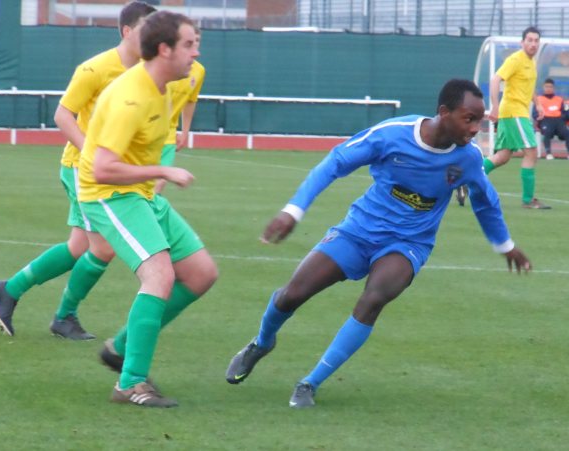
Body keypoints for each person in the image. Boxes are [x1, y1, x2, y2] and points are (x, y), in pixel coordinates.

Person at [225, 79, 532, 409]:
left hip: (408, 243)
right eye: (468, 119)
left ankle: (309, 383)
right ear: (443, 113)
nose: (475, 129)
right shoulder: (393, 134)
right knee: (292, 295)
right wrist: (293, 210)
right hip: (358, 231)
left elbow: (486, 202)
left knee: (373, 299)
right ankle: (261, 343)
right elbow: (335, 163)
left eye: (479, 120)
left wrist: (505, 246)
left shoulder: (468, 159)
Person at [0, 1, 157, 339]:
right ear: (126, 31)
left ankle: (12, 289)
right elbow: (63, 115)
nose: (154, 39)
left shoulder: (145, 71)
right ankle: (63, 315)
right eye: (147, 31)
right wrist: (91, 153)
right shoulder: (94, 69)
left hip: (107, 171)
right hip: (82, 169)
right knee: (102, 248)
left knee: (79, 247)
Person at [78, 11, 216, 408]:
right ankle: (130, 384)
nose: (196, 53)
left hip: (139, 193)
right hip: (109, 194)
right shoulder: (131, 97)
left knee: (202, 274)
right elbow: (103, 168)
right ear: (164, 49)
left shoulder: (166, 86)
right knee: (160, 275)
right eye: (189, 44)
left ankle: (121, 347)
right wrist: (163, 170)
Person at [484, 26, 550, 209]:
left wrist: (537, 104)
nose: (533, 44)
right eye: (529, 40)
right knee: (531, 151)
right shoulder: (515, 59)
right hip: (514, 113)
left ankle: (466, 178)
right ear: (522, 42)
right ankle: (528, 200)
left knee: (503, 156)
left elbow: (529, 87)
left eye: (536, 40)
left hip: (516, 113)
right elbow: (496, 79)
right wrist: (495, 106)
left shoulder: (531, 63)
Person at [155, 26, 205, 193]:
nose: (194, 46)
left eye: (197, 41)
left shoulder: (198, 71)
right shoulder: (166, 65)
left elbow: (190, 101)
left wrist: (185, 131)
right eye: (189, 43)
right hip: (148, 130)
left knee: (160, 182)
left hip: (169, 133)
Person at [534, 78, 569, 160]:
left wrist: (563, 118)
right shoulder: (539, 99)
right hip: (545, 119)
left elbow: (565, 112)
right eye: (546, 87)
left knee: (567, 133)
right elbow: (534, 114)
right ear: (543, 87)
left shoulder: (559, 99)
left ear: (553, 88)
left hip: (558, 120)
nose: (548, 88)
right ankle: (548, 153)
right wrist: (539, 118)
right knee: (547, 132)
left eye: (550, 87)